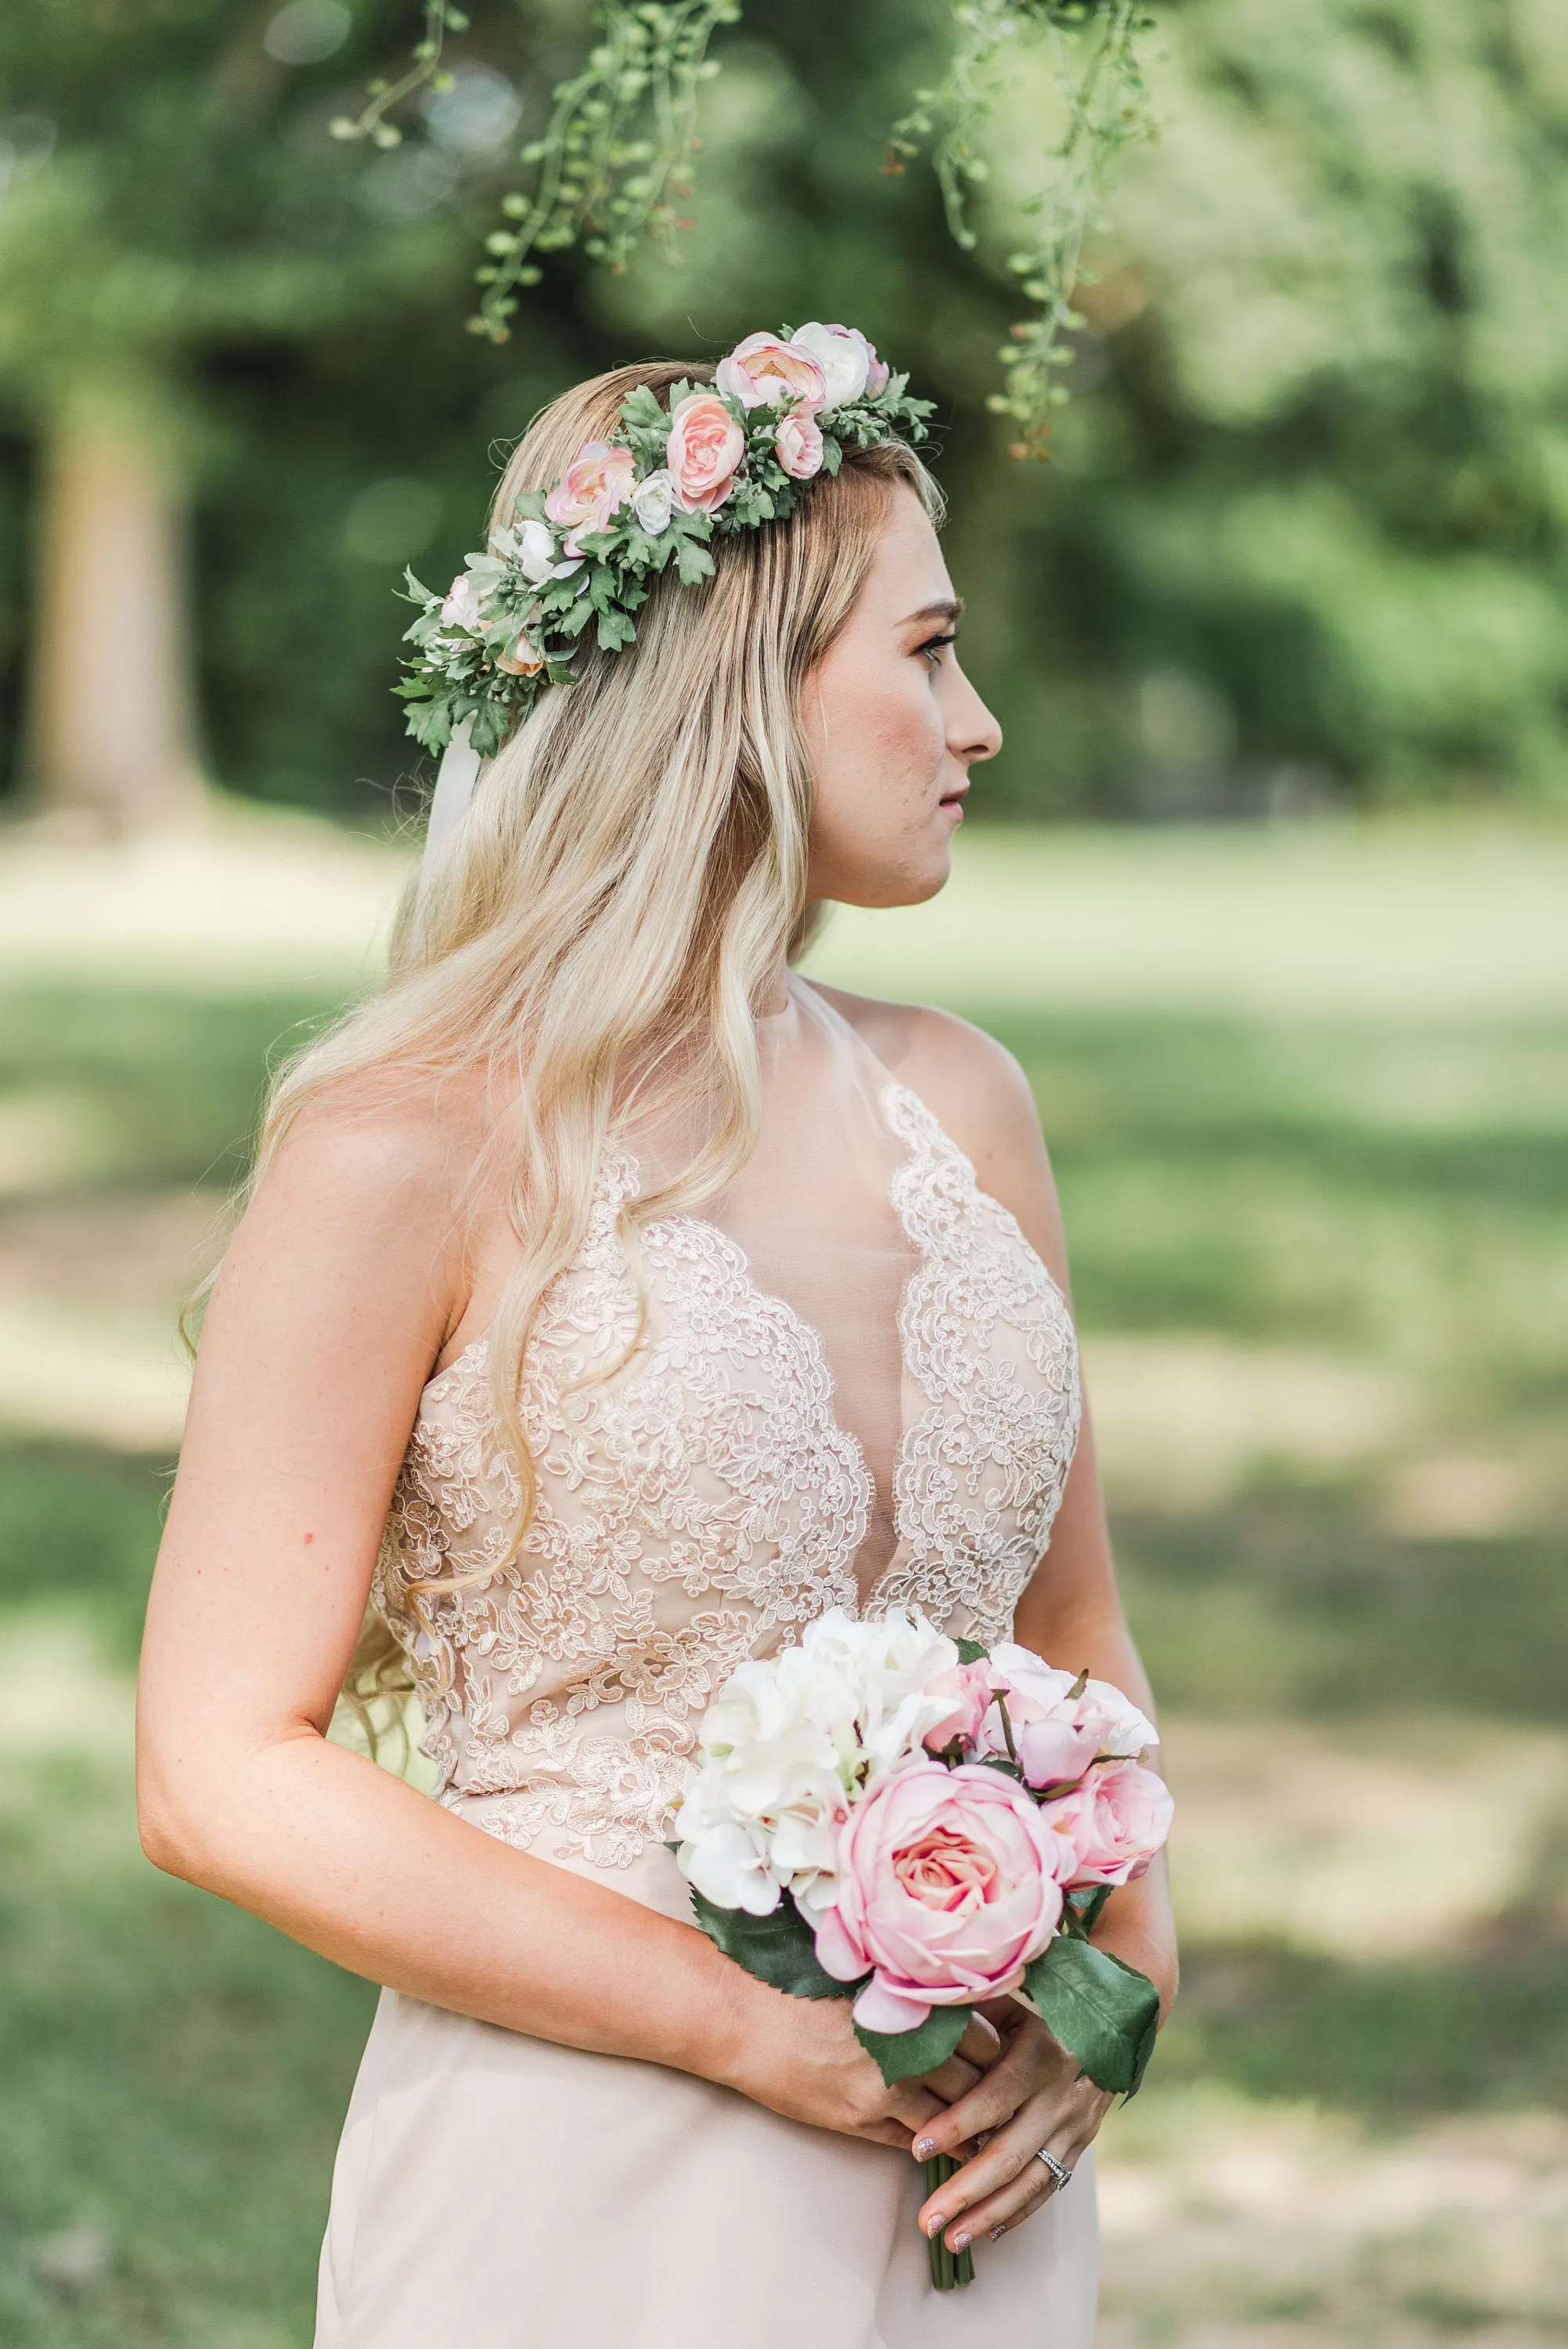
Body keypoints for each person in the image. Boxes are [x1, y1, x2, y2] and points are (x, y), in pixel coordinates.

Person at [135, 329, 1177, 2348]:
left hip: (968, 2174)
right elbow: (214, 1770)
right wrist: (740, 2035)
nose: (978, 721)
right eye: (927, 651)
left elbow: (1078, 1645)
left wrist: (1115, 1999)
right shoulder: (403, 1143)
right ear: (739, 693)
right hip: (586, 2163)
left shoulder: (961, 1104)